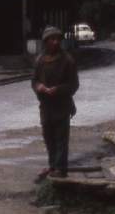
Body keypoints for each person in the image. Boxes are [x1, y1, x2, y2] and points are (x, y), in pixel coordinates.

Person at [31, 25, 79, 181]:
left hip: (62, 105)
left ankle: (61, 168)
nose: (55, 42)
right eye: (52, 39)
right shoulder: (39, 60)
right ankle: (52, 165)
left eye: (57, 39)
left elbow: (73, 84)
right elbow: (34, 81)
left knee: (61, 138)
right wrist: (40, 87)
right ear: (46, 41)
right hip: (45, 106)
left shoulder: (67, 60)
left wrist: (57, 89)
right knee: (48, 137)